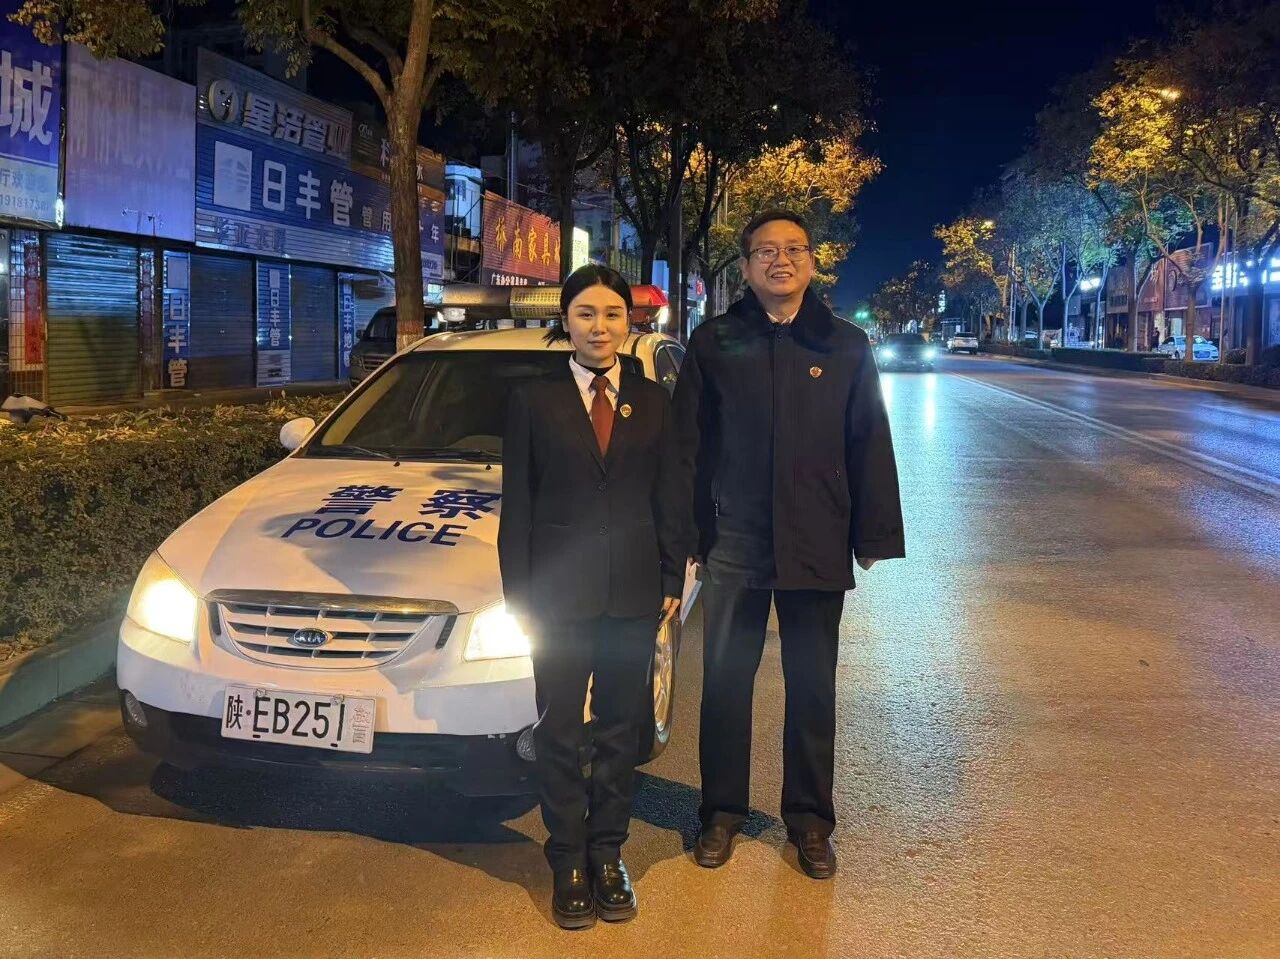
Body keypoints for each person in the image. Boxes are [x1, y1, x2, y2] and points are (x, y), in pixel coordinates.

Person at [671, 209, 905, 879]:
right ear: (745, 267)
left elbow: (868, 440)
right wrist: (686, 533)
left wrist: (873, 533)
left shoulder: (845, 345)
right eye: (766, 251)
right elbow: (687, 446)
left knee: (812, 686)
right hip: (734, 540)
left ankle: (810, 820)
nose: (781, 260)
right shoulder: (715, 341)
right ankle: (721, 812)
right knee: (724, 683)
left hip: (816, 539)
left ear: (811, 262)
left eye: (794, 249)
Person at [498, 264, 686, 929]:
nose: (599, 326)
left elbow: (670, 494)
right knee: (557, 728)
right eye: (586, 313)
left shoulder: (654, 400)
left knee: (617, 729)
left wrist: (672, 577)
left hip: (633, 591)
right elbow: (518, 505)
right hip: (557, 594)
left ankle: (608, 853)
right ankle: (566, 858)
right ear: (566, 321)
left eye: (612, 314)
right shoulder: (533, 400)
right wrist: (518, 594)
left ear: (629, 321)